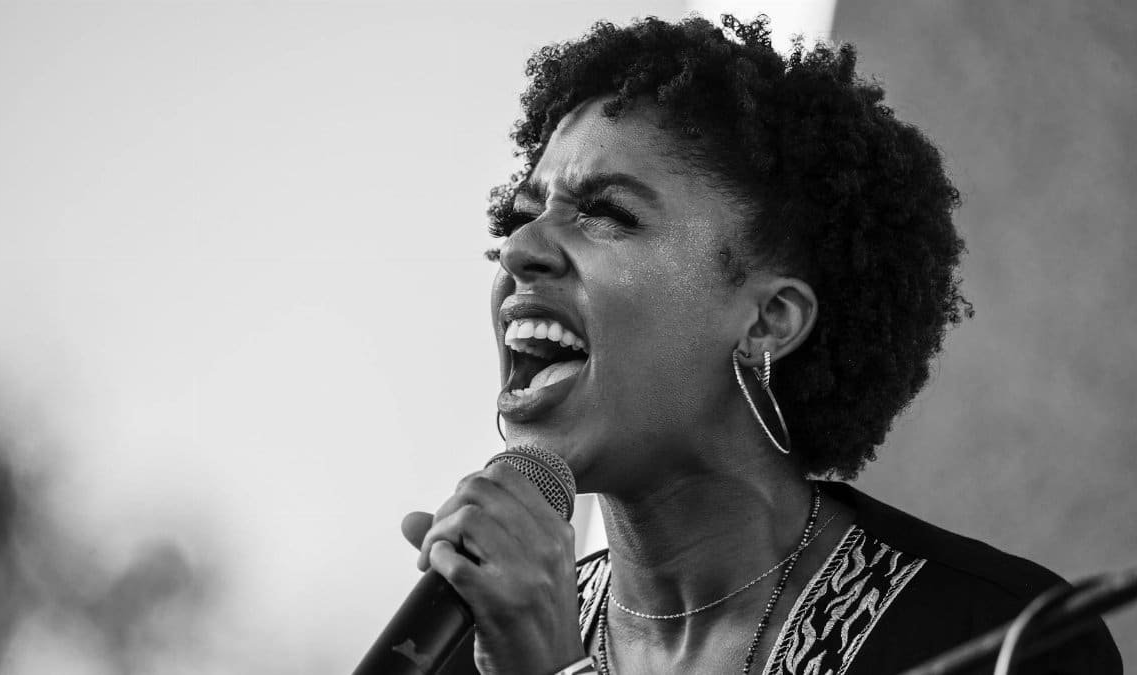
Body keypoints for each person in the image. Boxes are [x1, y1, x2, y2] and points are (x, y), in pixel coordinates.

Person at [399, 15, 1122, 674]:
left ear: (769, 320)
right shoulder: (471, 643)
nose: (520, 247)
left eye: (607, 212)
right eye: (523, 215)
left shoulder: (998, 638)